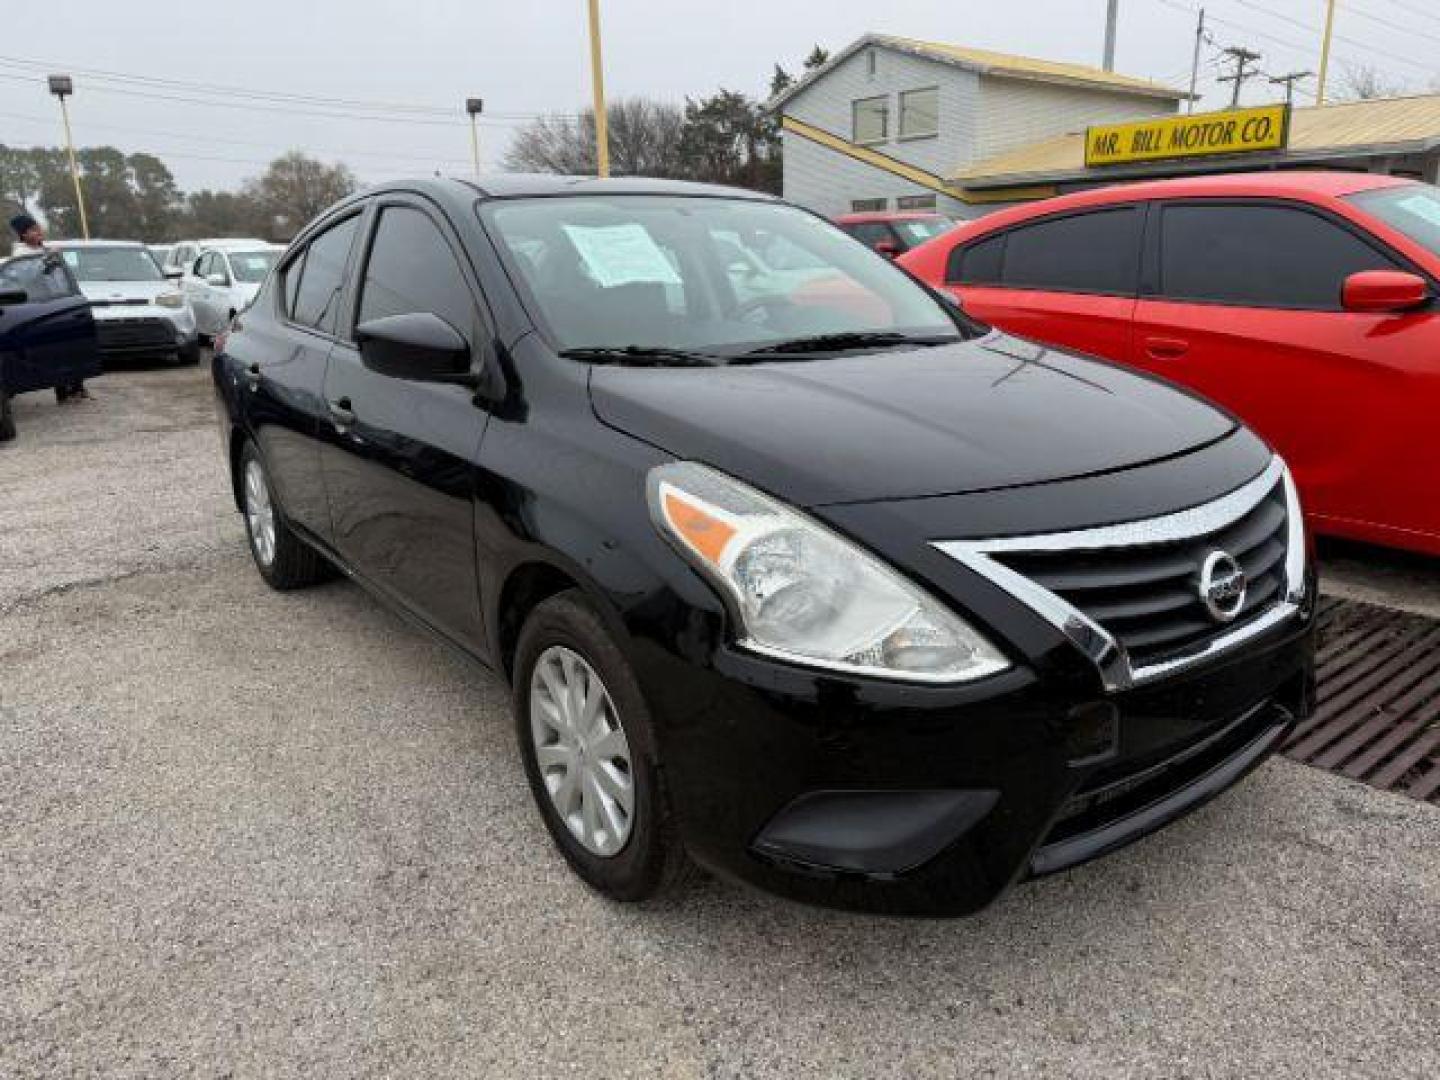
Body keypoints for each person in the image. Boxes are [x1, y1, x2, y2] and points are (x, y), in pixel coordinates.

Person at [10, 213, 91, 402]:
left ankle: (77, 387)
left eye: (38, 228)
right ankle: (63, 391)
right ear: (23, 234)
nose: (38, 232)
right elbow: (30, 277)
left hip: (61, 302)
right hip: (42, 306)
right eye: (32, 230)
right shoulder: (21, 255)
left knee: (72, 346)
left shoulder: (44, 249)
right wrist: (48, 259)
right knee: (57, 349)